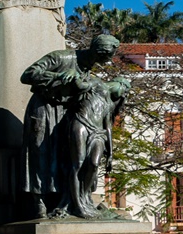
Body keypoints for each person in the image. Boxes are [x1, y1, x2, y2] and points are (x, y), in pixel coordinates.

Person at [20, 34, 120, 218]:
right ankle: (39, 202)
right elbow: (27, 75)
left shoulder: (88, 68)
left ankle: (64, 200)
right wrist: (60, 76)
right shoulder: (62, 57)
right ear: (98, 52)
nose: (106, 62)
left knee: (63, 157)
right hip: (45, 108)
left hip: (67, 112)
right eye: (105, 58)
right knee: (40, 153)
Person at [65, 75, 130, 218]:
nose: (125, 94)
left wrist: (111, 153)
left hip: (98, 133)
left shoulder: (109, 104)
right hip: (81, 124)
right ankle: (77, 205)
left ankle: (84, 197)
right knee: (78, 164)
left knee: (94, 165)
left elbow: (108, 128)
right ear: (119, 83)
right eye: (125, 90)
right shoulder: (96, 83)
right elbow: (79, 86)